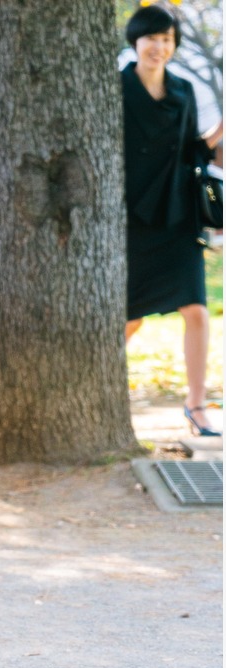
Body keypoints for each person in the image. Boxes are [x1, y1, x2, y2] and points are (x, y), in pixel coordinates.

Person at [121, 4, 223, 436]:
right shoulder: (117, 87)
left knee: (197, 311)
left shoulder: (182, 91)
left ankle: (196, 406)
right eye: (152, 38)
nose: (159, 47)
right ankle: (98, 392)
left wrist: (218, 134)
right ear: (136, 41)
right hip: (129, 216)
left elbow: (192, 152)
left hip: (176, 213)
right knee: (129, 317)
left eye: (167, 40)